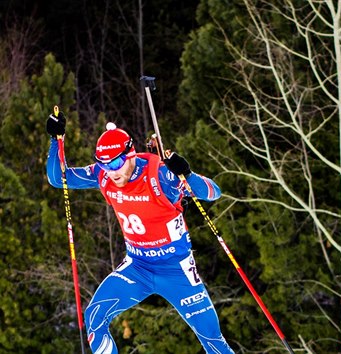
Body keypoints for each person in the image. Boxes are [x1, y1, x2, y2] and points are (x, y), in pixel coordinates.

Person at [46, 113, 234, 353]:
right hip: (138, 266)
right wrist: (56, 139)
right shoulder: (104, 175)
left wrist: (186, 173)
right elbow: (57, 178)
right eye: (104, 164)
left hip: (176, 270)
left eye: (115, 164)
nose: (111, 172)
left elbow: (213, 192)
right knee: (95, 316)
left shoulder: (159, 175)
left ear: (130, 155)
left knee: (212, 339)